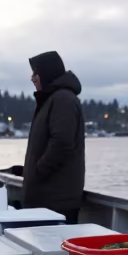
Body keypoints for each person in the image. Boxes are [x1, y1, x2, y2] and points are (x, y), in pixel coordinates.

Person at [22, 51, 85, 224]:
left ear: (46, 73)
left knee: (54, 250)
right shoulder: (51, 99)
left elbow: (62, 143)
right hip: (45, 199)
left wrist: (38, 172)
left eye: (36, 73)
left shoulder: (63, 99)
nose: (32, 78)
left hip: (55, 201)